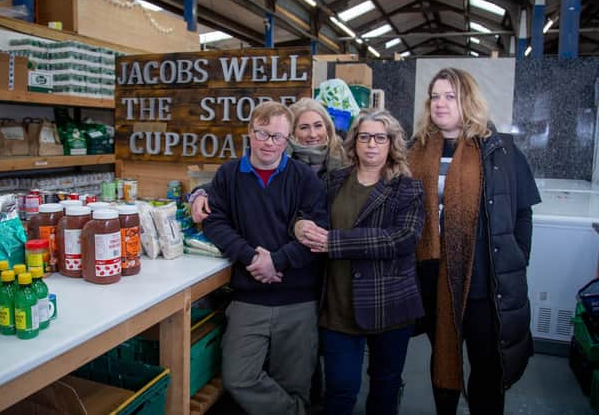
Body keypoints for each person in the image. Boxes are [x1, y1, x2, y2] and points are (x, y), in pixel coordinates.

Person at [409, 68, 541, 415]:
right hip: (433, 278)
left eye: (449, 96)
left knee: (487, 366)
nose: (440, 103)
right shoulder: (416, 149)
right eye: (435, 96)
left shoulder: (499, 150)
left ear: (467, 100)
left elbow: (523, 212)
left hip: (482, 282)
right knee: (443, 359)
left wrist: (517, 257)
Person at [294, 109, 425, 415]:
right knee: (340, 390)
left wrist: (334, 242)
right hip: (338, 306)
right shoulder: (334, 181)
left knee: (384, 385)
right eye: (364, 137)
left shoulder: (408, 187)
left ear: (392, 144)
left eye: (380, 138)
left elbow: (401, 239)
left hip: (390, 304)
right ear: (354, 143)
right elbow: (307, 214)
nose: (371, 144)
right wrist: (299, 225)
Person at [202, 101, 328, 415]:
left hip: (298, 300)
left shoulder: (304, 179)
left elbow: (318, 232)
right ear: (250, 132)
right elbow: (215, 221)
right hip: (250, 298)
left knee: (295, 383)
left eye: (278, 137)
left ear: (288, 141)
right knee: (238, 378)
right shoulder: (229, 174)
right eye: (262, 133)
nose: (269, 143)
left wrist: (277, 261)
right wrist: (251, 258)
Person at [189, 97, 347, 223]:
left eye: (318, 126)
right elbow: (234, 183)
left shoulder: (345, 159)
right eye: (304, 127)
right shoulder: (284, 160)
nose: (313, 134)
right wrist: (201, 193)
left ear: (328, 128)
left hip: (335, 245)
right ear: (291, 133)